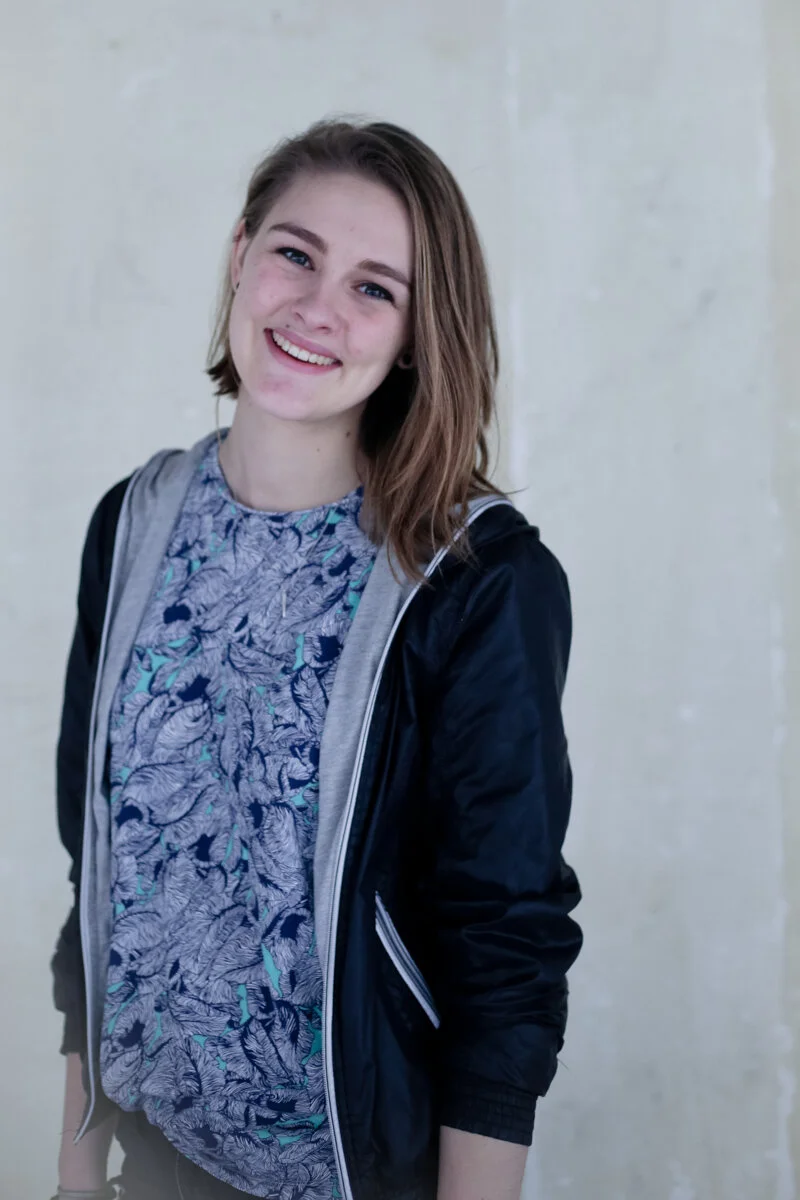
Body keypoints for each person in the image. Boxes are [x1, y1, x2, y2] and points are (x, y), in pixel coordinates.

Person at [51, 118, 582, 1200]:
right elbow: (97, 876)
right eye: (295, 253)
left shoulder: (476, 583)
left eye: (374, 288)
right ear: (239, 255)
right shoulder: (135, 521)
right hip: (151, 1166)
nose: (317, 307)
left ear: (415, 336)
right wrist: (72, 1176)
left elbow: (504, 950)